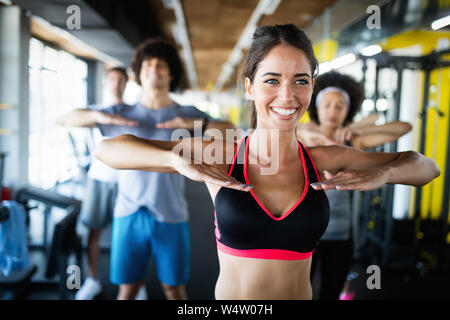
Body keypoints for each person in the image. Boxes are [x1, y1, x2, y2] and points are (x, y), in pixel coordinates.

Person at [94, 24, 440, 300]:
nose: (287, 96)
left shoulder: (322, 159)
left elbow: (427, 167)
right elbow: (109, 149)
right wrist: (174, 158)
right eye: (272, 80)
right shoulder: (224, 153)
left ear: (311, 88)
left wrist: (384, 172)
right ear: (250, 87)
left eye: (300, 81)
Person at [56, 38, 235, 300]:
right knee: (127, 290)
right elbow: (65, 119)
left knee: (174, 289)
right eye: (148, 64)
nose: (154, 68)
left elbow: (232, 131)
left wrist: (196, 122)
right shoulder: (120, 113)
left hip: (171, 213)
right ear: (139, 72)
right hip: (128, 212)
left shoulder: (187, 113)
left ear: (171, 72)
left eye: (161, 64)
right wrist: (99, 117)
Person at [296, 71, 412, 300]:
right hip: (304, 229)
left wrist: (356, 127)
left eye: (340, 106)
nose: (333, 111)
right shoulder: (302, 133)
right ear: (316, 107)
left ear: (347, 111)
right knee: (300, 292)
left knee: (331, 291)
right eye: (327, 105)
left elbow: (404, 127)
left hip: (341, 232)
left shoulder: (352, 139)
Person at [56, 67, 143, 300]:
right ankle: (93, 280)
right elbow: (63, 119)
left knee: (133, 236)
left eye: (121, 80)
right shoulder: (95, 110)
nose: (116, 84)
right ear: (106, 82)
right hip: (100, 180)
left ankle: (135, 283)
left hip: (129, 180)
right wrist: (101, 117)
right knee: (93, 233)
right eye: (113, 79)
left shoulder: (135, 111)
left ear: (126, 84)